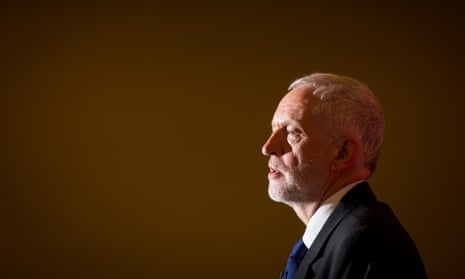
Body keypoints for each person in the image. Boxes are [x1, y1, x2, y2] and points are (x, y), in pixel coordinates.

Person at [262, 73, 427, 279]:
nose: (268, 147)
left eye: (293, 132)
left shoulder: (368, 242)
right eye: (273, 129)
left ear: (342, 154)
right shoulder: (343, 236)